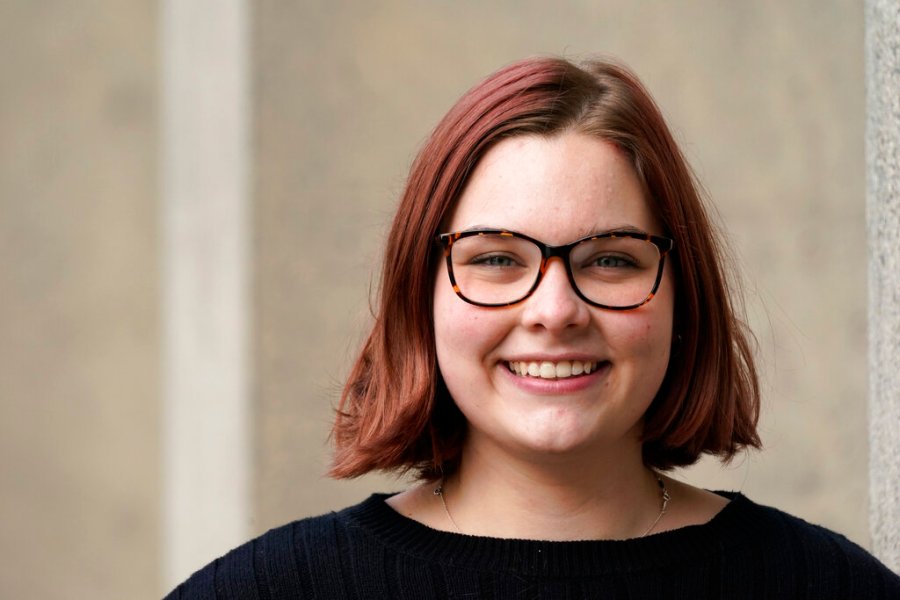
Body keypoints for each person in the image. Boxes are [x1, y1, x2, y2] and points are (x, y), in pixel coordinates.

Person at [165, 56, 900, 599]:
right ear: (419, 297)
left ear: (683, 295)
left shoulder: (829, 590)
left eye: (611, 258)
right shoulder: (265, 594)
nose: (554, 310)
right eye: (496, 259)